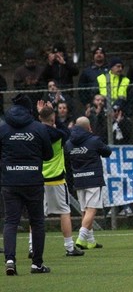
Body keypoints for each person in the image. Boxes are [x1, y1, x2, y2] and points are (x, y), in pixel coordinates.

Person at [0, 93, 53, 275]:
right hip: (33, 180)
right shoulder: (38, 128)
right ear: (29, 109)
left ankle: (10, 260)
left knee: (11, 222)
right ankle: (37, 264)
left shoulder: (3, 128)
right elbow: (48, 155)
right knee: (37, 222)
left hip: (10, 181)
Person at [32, 101, 84, 257]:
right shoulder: (60, 135)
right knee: (64, 212)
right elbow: (64, 130)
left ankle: (31, 247)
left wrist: (40, 113)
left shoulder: (34, 133)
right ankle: (69, 247)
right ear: (53, 118)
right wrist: (53, 115)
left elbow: (37, 124)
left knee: (36, 214)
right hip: (56, 179)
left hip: (39, 179)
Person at [65, 116, 112, 250]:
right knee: (92, 210)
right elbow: (107, 151)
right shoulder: (94, 140)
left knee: (85, 210)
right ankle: (81, 237)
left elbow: (67, 159)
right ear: (89, 127)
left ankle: (90, 240)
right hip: (93, 179)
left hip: (78, 179)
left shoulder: (69, 143)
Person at [14, 48, 43, 114]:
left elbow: (45, 84)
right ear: (25, 60)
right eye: (28, 59)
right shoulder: (19, 71)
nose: (30, 61)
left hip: (39, 99)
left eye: (32, 59)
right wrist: (25, 83)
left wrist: (37, 82)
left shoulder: (41, 70)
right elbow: (16, 86)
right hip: (24, 100)